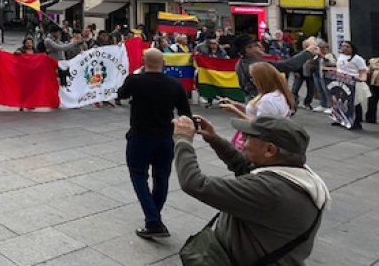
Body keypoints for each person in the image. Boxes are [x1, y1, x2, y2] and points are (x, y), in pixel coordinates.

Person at [172, 115, 329, 265]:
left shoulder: (269, 190)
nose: (242, 142)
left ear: (269, 150)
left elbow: (195, 184)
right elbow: (244, 167)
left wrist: (183, 141)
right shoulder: (298, 175)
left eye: (248, 138)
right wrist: (214, 139)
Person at [116, 48, 191, 239]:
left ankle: (153, 220)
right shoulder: (175, 85)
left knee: (138, 175)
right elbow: (185, 113)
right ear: (164, 63)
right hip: (165, 138)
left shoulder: (135, 81)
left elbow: (121, 94)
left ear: (143, 61)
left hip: (140, 137)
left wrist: (137, 73)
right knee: (162, 177)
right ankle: (154, 218)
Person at [219, 63, 296, 151]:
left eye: (253, 78)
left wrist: (234, 110)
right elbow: (256, 113)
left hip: (260, 142)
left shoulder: (267, 100)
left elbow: (260, 125)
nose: (252, 80)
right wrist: (235, 105)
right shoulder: (277, 94)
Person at [234, 34, 317, 100]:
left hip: (253, 99)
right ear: (248, 49)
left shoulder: (240, 63)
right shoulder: (256, 64)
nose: (260, 48)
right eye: (256, 45)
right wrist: (308, 51)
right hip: (262, 101)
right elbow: (288, 65)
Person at [335, 40, 370, 131]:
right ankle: (342, 119)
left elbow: (363, 71)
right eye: (343, 46)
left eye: (347, 46)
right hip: (342, 82)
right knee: (341, 101)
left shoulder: (357, 59)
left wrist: (362, 79)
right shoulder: (341, 56)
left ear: (352, 48)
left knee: (355, 103)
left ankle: (357, 122)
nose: (344, 48)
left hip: (354, 83)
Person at [311, 40, 335, 113]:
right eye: (321, 48)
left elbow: (332, 63)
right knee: (320, 91)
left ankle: (331, 106)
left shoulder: (330, 55)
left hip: (327, 76)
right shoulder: (316, 56)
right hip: (317, 74)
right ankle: (323, 105)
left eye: (324, 48)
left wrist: (321, 55)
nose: (323, 49)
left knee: (327, 91)